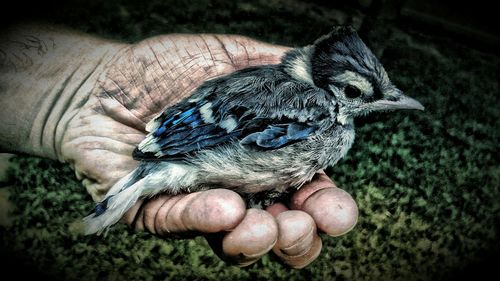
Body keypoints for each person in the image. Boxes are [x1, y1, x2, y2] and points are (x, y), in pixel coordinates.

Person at [0, 23, 358, 268]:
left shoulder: (288, 89)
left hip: (177, 146)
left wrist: (76, 93)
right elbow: (219, 133)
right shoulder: (313, 106)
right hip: (186, 157)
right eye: (354, 93)